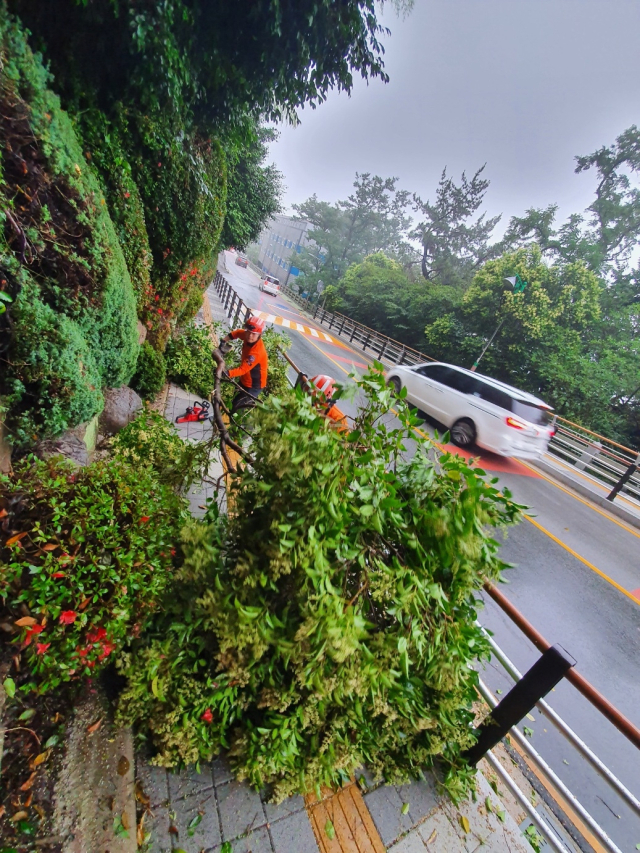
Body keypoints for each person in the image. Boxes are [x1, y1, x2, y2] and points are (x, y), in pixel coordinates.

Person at [221, 315, 268, 413]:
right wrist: (224, 341)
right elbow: (237, 333)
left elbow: (242, 370)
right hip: (245, 380)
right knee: (234, 400)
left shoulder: (257, 352)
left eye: (254, 334)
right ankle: (226, 418)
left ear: (259, 335)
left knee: (238, 407)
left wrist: (226, 373)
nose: (250, 336)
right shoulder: (247, 336)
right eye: (249, 332)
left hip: (254, 385)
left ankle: (232, 426)